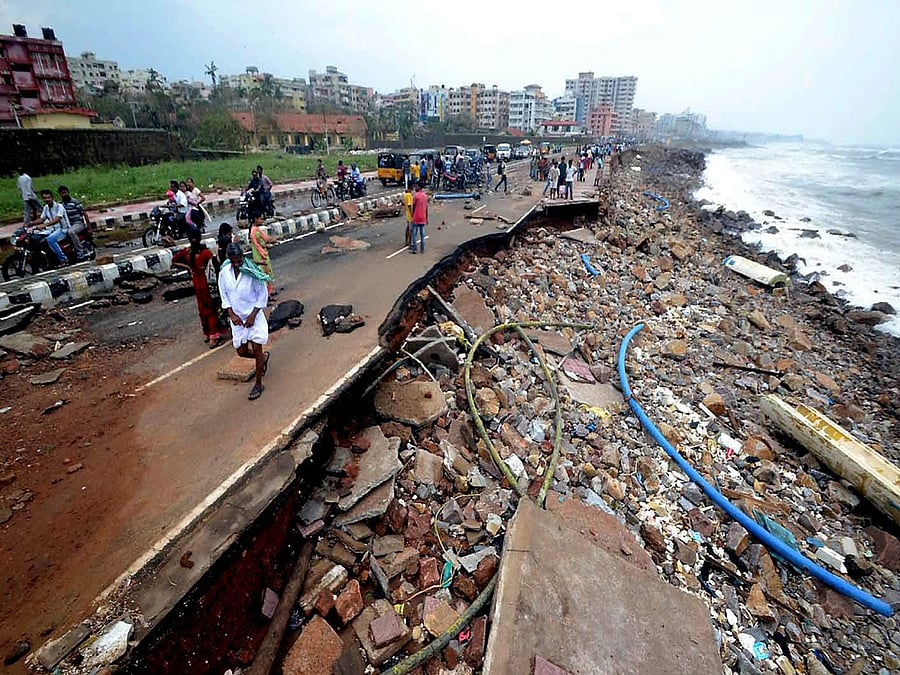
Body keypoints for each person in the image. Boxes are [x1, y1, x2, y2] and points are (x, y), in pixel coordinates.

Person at [218, 242, 271, 401]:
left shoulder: (252, 273)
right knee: (241, 351)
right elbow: (224, 295)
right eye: (233, 261)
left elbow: (262, 295)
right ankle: (262, 359)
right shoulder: (224, 273)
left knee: (256, 348)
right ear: (229, 259)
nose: (237, 264)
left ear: (242, 257)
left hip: (253, 315)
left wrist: (253, 316)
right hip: (237, 319)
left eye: (239, 260)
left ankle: (258, 384)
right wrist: (231, 314)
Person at [173, 229, 225, 347]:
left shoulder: (187, 252)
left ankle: (206, 333)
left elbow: (174, 260)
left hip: (196, 282)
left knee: (202, 308)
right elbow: (214, 266)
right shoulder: (205, 253)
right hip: (207, 282)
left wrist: (188, 267)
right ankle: (214, 336)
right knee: (211, 307)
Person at [29, 189, 70, 265]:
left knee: (50, 239)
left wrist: (45, 225)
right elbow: (42, 219)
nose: (47, 199)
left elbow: (57, 219)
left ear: (52, 197)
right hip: (53, 229)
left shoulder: (59, 207)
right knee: (38, 237)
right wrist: (30, 223)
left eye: (48, 197)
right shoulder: (46, 208)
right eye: (45, 198)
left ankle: (63, 259)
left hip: (63, 229)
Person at [249, 208, 277, 298]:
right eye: (260, 219)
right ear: (256, 219)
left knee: (265, 273)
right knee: (265, 273)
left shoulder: (254, 229)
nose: (262, 221)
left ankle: (268, 293)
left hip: (260, 253)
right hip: (261, 255)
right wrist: (272, 240)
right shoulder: (255, 231)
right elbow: (261, 241)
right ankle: (267, 294)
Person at [57, 185, 89, 260]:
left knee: (71, 232)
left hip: (78, 223)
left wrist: (89, 227)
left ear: (68, 192)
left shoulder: (75, 202)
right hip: (67, 225)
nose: (64, 195)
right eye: (62, 193)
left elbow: (84, 214)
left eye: (65, 192)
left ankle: (80, 253)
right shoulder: (60, 205)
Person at [409, 183, 427, 254]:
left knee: (414, 233)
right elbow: (426, 208)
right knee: (422, 234)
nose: (415, 188)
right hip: (423, 217)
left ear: (419, 187)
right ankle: (422, 249)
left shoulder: (416, 196)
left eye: (416, 187)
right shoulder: (425, 196)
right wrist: (426, 218)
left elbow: (414, 206)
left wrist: (413, 215)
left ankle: (415, 249)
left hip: (416, 217)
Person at [403, 184, 414, 248]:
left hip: (407, 212)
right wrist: (412, 214)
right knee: (410, 229)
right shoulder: (409, 195)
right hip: (409, 214)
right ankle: (410, 243)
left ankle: (406, 241)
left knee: (407, 228)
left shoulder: (405, 195)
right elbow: (410, 206)